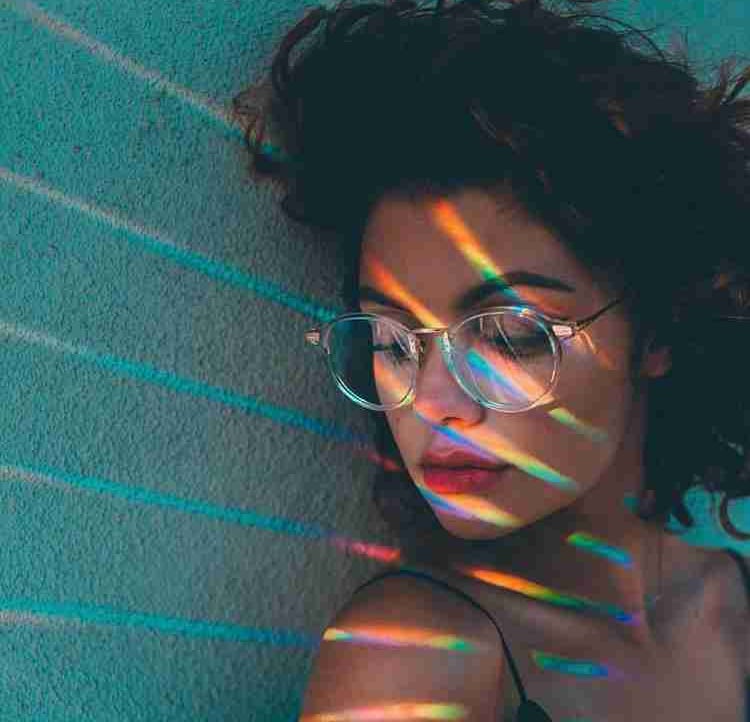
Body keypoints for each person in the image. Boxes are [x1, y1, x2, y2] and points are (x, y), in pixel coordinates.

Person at [234, 0, 750, 718]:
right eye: (390, 340)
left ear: (657, 331)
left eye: (507, 336)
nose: (433, 403)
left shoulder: (733, 605)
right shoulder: (414, 663)